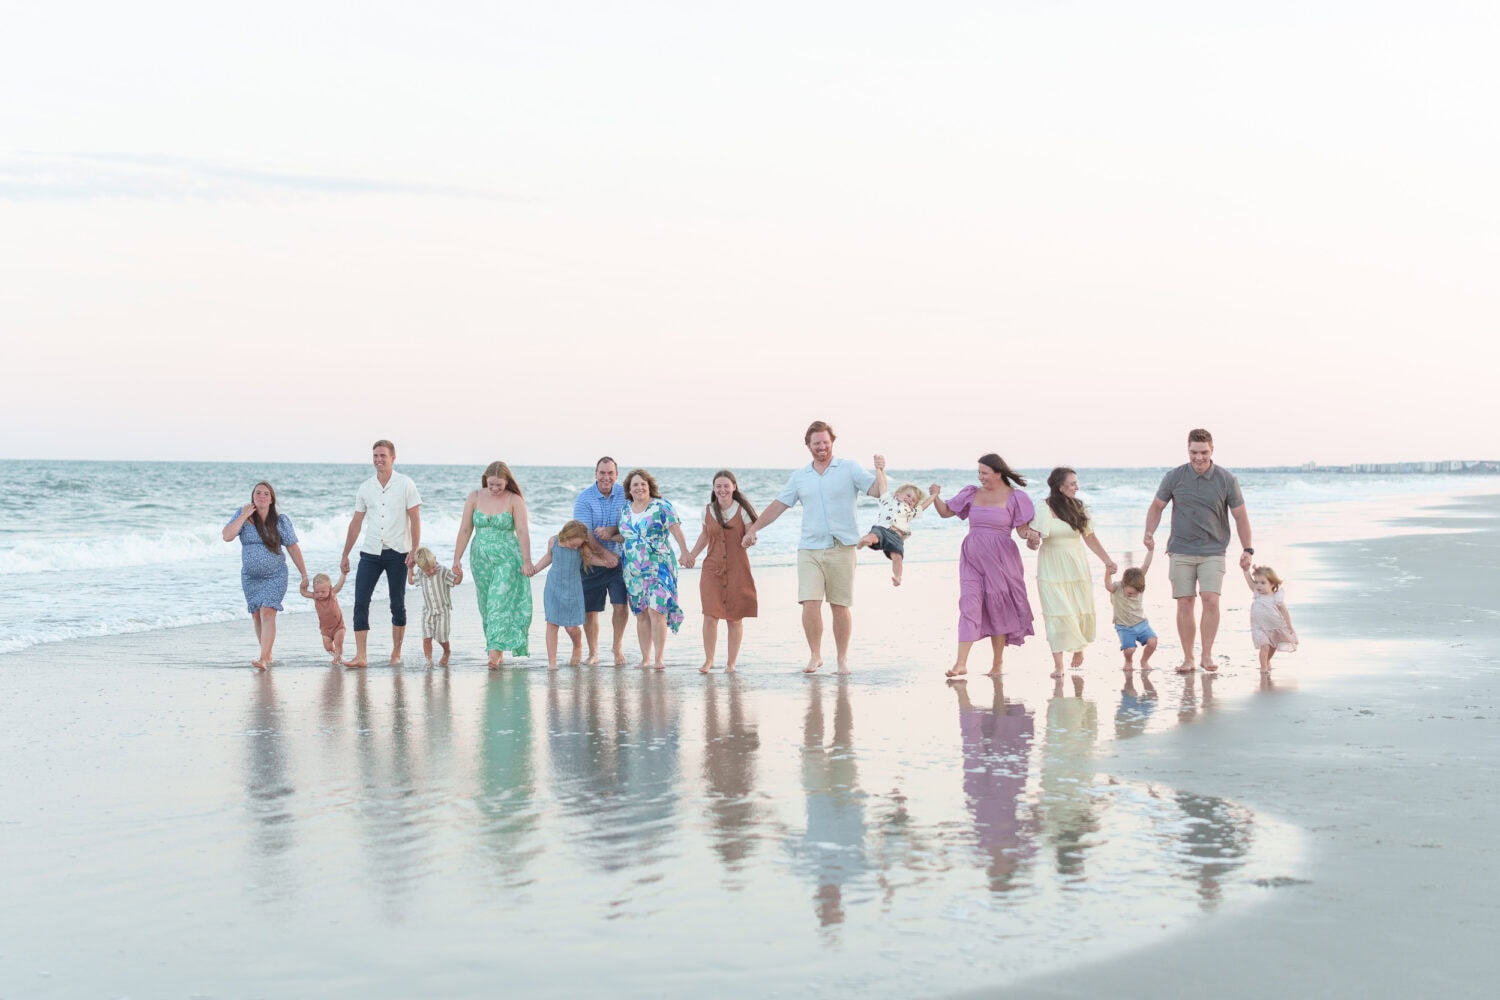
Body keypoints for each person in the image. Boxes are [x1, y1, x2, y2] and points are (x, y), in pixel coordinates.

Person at [741, 421, 886, 674]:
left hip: (843, 547)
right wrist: (753, 529)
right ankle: (815, 655)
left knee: (840, 606)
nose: (822, 447)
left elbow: (877, 491)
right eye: (817, 443)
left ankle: (842, 659)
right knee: (810, 602)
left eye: (826, 443)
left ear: (832, 442)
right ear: (808, 445)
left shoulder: (849, 468)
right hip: (809, 548)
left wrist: (880, 470)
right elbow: (778, 505)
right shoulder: (800, 477)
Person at [1143, 428, 1254, 673]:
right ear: (1188, 450)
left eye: (1203, 452)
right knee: (1184, 603)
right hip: (1180, 549)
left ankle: (1206, 655)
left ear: (1212, 450)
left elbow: (1240, 516)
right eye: (1194, 452)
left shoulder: (1226, 479)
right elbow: (1157, 506)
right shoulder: (1174, 477)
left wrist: (1248, 549)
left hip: (1213, 550)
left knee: (1210, 600)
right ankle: (1187, 658)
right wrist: (1149, 532)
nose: (1199, 457)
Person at [931, 454, 1037, 679]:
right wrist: (935, 497)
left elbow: (1022, 530)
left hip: (1001, 561)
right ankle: (961, 663)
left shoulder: (1016, 497)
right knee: (969, 604)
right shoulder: (972, 493)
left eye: (985, 473)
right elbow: (946, 512)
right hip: (972, 558)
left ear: (998, 473)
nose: (980, 477)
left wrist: (1031, 537)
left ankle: (997, 663)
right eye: (979, 472)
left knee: (997, 607)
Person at [339, 440, 422, 669]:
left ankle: (396, 652)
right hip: (371, 552)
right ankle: (361, 656)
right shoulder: (366, 487)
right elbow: (356, 522)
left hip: (398, 552)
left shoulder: (405, 484)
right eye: (375, 455)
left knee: (397, 604)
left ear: (393, 458)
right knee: (360, 602)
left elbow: (415, 518)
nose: (378, 459)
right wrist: (346, 553)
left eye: (383, 455)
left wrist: (414, 550)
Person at [598, 469, 690, 669]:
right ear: (629, 490)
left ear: (649, 487)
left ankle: (659, 659)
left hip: (659, 565)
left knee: (657, 610)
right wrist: (608, 536)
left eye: (642, 484)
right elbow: (626, 536)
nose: (639, 488)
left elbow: (675, 529)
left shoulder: (661, 506)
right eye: (635, 485)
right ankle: (646, 659)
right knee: (641, 613)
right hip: (632, 569)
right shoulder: (626, 509)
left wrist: (685, 552)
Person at [1030, 467, 1116, 678]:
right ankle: (1059, 665)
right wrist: (1031, 540)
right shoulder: (1043, 507)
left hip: (1076, 566)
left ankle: (1079, 647)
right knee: (1056, 613)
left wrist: (1107, 560)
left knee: (1078, 609)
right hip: (1051, 568)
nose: (1077, 487)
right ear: (1060, 487)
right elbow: (1035, 541)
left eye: (1076, 483)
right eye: (1073, 484)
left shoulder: (1079, 507)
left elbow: (1090, 537)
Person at [452, 461, 533, 669]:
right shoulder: (475, 497)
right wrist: (456, 559)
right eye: (491, 485)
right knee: (487, 605)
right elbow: (465, 530)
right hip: (480, 558)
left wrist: (527, 560)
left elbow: (522, 531)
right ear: (485, 480)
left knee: (499, 602)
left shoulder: (515, 500)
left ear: (507, 481)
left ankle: (494, 653)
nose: (495, 489)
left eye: (499, 485)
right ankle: (495, 646)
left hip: (508, 557)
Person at [223, 481, 309, 669]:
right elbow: (227, 536)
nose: (261, 496)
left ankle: (263, 658)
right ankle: (267, 654)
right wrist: (245, 514)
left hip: (276, 574)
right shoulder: (242, 516)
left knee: (267, 612)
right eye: (257, 493)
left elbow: (293, 547)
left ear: (271, 500)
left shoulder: (280, 521)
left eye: (266, 494)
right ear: (252, 497)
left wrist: (304, 574)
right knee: (256, 615)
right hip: (250, 577)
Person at [682, 470, 760, 673]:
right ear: (713, 488)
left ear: (734, 487)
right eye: (718, 486)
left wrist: (749, 538)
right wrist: (691, 555)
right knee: (710, 615)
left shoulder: (742, 510)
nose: (722, 489)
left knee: (734, 617)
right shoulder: (707, 510)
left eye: (726, 485)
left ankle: (731, 664)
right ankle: (709, 660)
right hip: (711, 569)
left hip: (737, 569)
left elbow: (752, 532)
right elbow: (705, 536)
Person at [529, 519, 619, 669]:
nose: (575, 547)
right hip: (553, 588)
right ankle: (552, 662)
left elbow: (590, 559)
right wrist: (535, 569)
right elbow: (549, 557)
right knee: (552, 624)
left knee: (571, 627)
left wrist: (605, 563)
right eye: (573, 544)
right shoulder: (554, 541)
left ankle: (577, 645)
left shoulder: (582, 547)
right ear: (565, 536)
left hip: (573, 590)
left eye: (578, 545)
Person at [573, 457, 630, 666]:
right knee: (591, 610)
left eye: (610, 473)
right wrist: (605, 556)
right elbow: (585, 534)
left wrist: (612, 531)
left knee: (621, 606)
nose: (606, 477)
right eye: (602, 473)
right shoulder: (584, 499)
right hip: (591, 562)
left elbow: (629, 528)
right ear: (595, 474)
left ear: (616, 474)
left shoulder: (626, 496)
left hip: (620, 562)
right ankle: (593, 652)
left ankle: (617, 647)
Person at [856, 482, 933, 586]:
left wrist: (934, 495)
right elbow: (882, 485)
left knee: (898, 557)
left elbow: (923, 506)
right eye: (908, 495)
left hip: (896, 536)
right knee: (874, 536)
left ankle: (897, 577)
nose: (910, 500)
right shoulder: (888, 500)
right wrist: (879, 469)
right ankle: (865, 541)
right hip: (883, 528)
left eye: (913, 500)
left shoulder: (910, 512)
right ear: (897, 494)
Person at [1104, 544, 1158, 671]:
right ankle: (1128, 661)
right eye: (1130, 593)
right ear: (1124, 584)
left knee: (1153, 642)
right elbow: (1108, 586)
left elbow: (1146, 566)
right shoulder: (1117, 588)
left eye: (1137, 593)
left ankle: (1144, 661)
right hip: (1124, 626)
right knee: (1130, 649)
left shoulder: (1138, 583)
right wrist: (1108, 572)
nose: (1134, 595)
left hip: (1141, 623)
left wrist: (1151, 550)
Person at [408, 546, 460, 667]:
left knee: (441, 637)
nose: (431, 571)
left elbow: (456, 581)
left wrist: (459, 573)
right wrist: (410, 568)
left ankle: (447, 651)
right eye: (427, 570)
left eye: (432, 567)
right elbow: (411, 581)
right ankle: (428, 661)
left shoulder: (443, 571)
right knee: (426, 638)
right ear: (420, 568)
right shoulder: (421, 574)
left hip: (443, 612)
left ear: (435, 559)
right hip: (428, 612)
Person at [1245, 564, 1298, 671]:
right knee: (1265, 646)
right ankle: (1263, 667)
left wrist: (1289, 625)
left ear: (1272, 583)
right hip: (1259, 627)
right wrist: (1245, 571)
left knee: (1273, 646)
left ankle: (1267, 661)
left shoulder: (1276, 597)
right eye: (1257, 582)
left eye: (1263, 583)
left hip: (1274, 626)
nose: (1259, 586)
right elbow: (1250, 582)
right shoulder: (1257, 594)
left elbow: (1284, 611)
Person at [299, 570, 348, 665]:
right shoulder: (314, 596)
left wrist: (343, 574)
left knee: (338, 643)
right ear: (314, 589)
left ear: (329, 589)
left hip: (338, 627)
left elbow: (339, 585)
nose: (320, 594)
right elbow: (304, 593)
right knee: (328, 647)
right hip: (325, 630)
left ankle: (337, 658)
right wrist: (303, 585)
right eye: (317, 591)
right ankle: (338, 656)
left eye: (323, 591)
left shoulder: (332, 594)